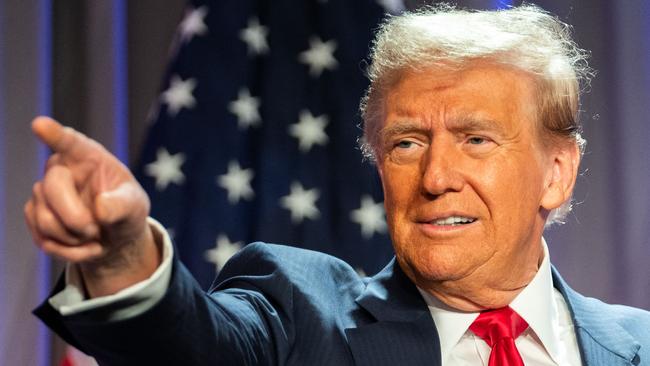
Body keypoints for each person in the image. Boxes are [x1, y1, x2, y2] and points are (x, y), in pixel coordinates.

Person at [26, 4, 649, 366]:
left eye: (475, 140)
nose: (434, 178)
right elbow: (192, 347)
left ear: (556, 173)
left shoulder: (639, 346)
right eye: (406, 143)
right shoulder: (301, 319)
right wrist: (123, 256)